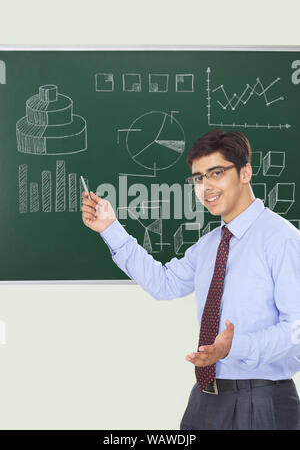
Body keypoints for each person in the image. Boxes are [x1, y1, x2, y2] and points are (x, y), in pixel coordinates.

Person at [81, 129, 300, 430]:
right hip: (206, 400)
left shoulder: (282, 239)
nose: (205, 187)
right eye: (198, 178)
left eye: (216, 173)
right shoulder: (209, 245)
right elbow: (163, 283)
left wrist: (236, 347)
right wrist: (110, 228)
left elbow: (296, 329)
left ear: (245, 172)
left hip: (262, 400)